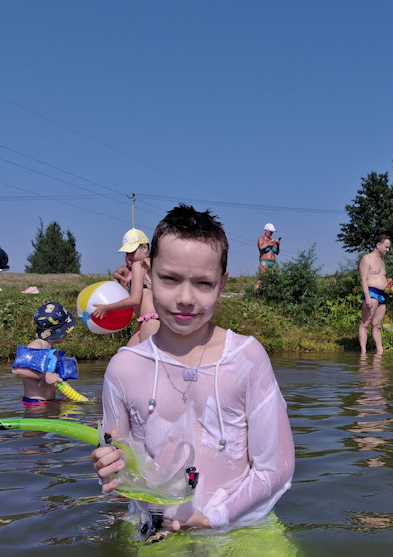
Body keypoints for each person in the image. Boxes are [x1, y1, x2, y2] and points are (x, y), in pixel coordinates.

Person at [90, 204, 295, 539]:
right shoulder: (123, 367)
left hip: (240, 530)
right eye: (170, 278)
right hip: (156, 532)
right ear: (149, 274)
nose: (185, 298)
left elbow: (277, 468)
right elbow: (120, 468)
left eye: (203, 283)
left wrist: (212, 518)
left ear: (222, 283)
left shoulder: (246, 358)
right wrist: (109, 468)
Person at [93, 228, 159, 347]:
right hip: (147, 320)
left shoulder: (138, 265)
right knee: (126, 356)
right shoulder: (152, 264)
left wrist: (107, 308)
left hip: (150, 320)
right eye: (127, 253)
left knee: (147, 362)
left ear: (144, 247)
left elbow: (135, 299)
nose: (129, 256)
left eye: (132, 251)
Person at [11, 302, 76, 406]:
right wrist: (45, 376)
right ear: (59, 332)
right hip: (35, 405)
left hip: (50, 402)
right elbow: (18, 369)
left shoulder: (53, 352)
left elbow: (55, 380)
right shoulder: (36, 346)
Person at [358, 234, 392, 355]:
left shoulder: (382, 261)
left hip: (382, 294)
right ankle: (363, 352)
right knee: (365, 323)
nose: (387, 250)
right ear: (378, 245)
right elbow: (363, 280)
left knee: (377, 324)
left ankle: (380, 352)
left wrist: (388, 286)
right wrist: (367, 297)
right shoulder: (367, 259)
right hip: (371, 293)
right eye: (386, 247)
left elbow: (380, 277)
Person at [255, 223, 281, 291]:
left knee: (272, 280)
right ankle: (254, 295)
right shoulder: (261, 239)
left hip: (273, 262)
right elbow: (261, 248)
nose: (271, 233)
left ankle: (268, 295)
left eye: (272, 232)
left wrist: (277, 245)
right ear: (265, 230)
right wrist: (269, 244)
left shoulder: (273, 240)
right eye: (270, 231)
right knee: (261, 279)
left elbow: (277, 252)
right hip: (264, 262)